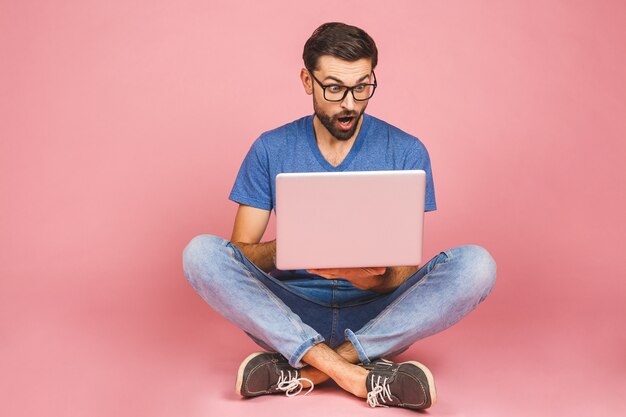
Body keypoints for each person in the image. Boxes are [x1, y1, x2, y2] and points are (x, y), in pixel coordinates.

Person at [182, 22, 496, 411]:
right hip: (290, 310)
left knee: (477, 265)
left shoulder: (406, 151)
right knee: (200, 253)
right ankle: (358, 375)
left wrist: (359, 273)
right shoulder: (269, 148)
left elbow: (401, 276)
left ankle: (310, 370)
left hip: (377, 317)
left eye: (362, 87)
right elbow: (240, 258)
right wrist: (295, 247)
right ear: (307, 80)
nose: (349, 103)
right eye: (334, 88)